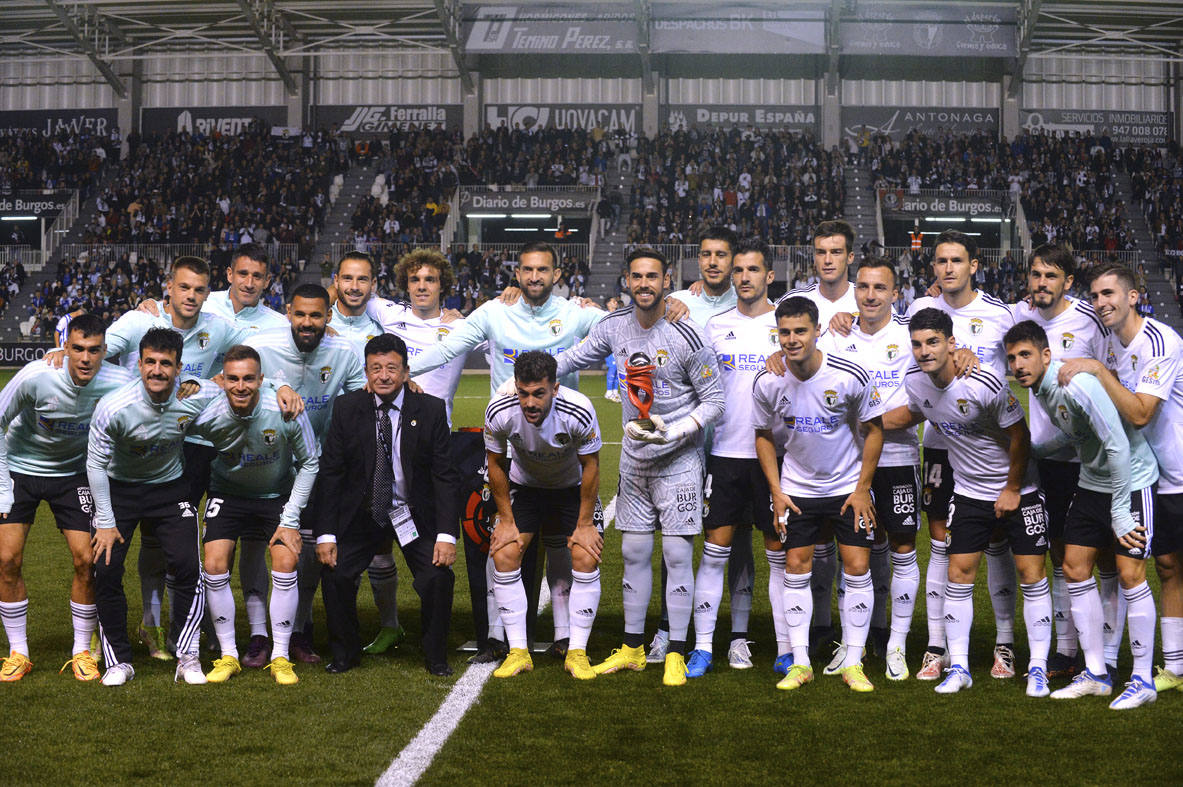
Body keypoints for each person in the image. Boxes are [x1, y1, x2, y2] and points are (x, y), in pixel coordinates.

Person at [835, 230, 1020, 680]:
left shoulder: (1000, 313)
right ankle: (935, 645)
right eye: (941, 261)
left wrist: (975, 359)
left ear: (974, 264)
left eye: (957, 260)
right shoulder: (919, 312)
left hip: (989, 449)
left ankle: (1006, 643)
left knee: (995, 542)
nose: (948, 268)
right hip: (939, 445)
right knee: (941, 543)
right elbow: (914, 394)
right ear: (932, 267)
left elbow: (1023, 358)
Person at [554, 247, 724, 687]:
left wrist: (677, 429)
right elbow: (573, 358)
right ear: (626, 282)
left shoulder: (688, 334)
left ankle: (677, 652)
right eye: (636, 277)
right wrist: (533, 376)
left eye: (652, 276)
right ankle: (632, 647)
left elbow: (716, 401)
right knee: (632, 554)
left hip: (681, 460)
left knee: (677, 554)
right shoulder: (613, 327)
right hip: (634, 462)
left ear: (667, 280)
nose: (644, 284)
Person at [136, 244, 289, 663]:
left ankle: (255, 632)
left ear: (268, 281)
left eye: (258, 276)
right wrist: (148, 306)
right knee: (164, 537)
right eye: (243, 274)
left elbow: (270, 369)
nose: (249, 282)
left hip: (229, 443)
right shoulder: (206, 304)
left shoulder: (277, 323)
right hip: (178, 439)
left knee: (250, 538)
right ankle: (157, 622)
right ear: (227, 275)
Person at [897, 308, 1051, 696]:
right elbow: (918, 411)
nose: (924, 351)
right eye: (917, 344)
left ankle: (1037, 668)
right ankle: (961, 667)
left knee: (1031, 575)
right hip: (967, 493)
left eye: (932, 342)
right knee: (958, 574)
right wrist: (866, 421)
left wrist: (1012, 488)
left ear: (952, 344)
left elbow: (1021, 436)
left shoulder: (984, 383)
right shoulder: (915, 381)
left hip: (1020, 490)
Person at [1006, 321, 1159, 708]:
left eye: (1025, 355)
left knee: (1129, 574)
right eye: (1011, 358)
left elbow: (1118, 445)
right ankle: (1096, 674)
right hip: (1093, 483)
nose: (1018, 364)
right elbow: (1076, 435)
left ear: (1045, 355)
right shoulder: (1040, 390)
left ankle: (1142, 679)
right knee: (1074, 567)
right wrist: (1035, 451)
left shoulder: (1074, 384)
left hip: (1132, 481)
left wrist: (1121, 512)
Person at [1058, 264, 1183, 701]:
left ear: (1134, 296)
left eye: (1109, 293)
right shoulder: (1110, 345)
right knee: (1167, 568)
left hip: (1180, 470)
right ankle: (1176, 665)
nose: (1101, 302)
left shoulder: (1160, 341)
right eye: (1095, 295)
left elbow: (1139, 413)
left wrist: (1094, 368)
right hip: (1152, 475)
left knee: (1158, 568)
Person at [753, 296, 885, 693]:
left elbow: (874, 429)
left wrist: (863, 489)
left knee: (857, 567)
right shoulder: (769, 381)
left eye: (800, 331)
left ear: (817, 331)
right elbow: (761, 435)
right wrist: (776, 491)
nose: (792, 340)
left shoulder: (849, 375)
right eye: (785, 332)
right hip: (797, 489)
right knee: (795, 565)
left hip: (847, 487)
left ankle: (854, 661)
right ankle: (801, 662)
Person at [314, 333, 459, 676]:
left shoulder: (431, 409)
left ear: (406, 372)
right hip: (364, 514)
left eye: (391, 368)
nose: (383, 376)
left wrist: (446, 535)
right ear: (366, 371)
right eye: (375, 368)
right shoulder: (348, 407)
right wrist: (326, 535)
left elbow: (445, 477)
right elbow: (331, 474)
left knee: (438, 577)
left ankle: (436, 656)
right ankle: (345, 653)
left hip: (412, 513)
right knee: (335, 573)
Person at [0, 315, 135, 682]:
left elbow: (159, 386)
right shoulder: (36, 375)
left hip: (73, 474)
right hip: (19, 470)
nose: (86, 358)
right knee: (7, 559)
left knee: (85, 559)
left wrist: (196, 383)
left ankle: (81, 651)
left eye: (94, 350)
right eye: (77, 349)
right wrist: (1, 483)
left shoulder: (118, 380)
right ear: (65, 347)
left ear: (105, 352)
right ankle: (19, 652)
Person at [87, 328, 225, 686]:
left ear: (179, 367)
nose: (157, 370)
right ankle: (119, 661)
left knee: (187, 566)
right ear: (139, 363)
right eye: (150, 362)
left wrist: (280, 388)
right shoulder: (115, 406)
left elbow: (239, 384)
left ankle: (188, 655)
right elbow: (95, 465)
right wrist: (104, 520)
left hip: (170, 490)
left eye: (166, 363)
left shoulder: (194, 393)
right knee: (106, 568)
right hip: (120, 492)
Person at [350, 248, 466, 655]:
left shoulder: (463, 328)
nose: (421, 287)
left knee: (433, 544)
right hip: (386, 441)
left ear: (443, 286)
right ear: (405, 285)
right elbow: (347, 287)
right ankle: (390, 625)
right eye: (415, 280)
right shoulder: (388, 313)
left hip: (433, 452)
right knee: (380, 539)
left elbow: (509, 343)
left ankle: (435, 631)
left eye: (430, 280)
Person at [247, 284, 366, 664]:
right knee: (255, 547)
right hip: (266, 462)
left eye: (316, 315)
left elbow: (356, 402)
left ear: (329, 316)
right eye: (300, 314)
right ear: (288, 313)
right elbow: (232, 378)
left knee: (310, 550)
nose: (308, 322)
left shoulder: (345, 352)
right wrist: (275, 383)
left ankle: (299, 630)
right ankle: (258, 634)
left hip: (318, 468)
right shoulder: (262, 344)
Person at [189, 345, 319, 685]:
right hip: (227, 495)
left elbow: (310, 462)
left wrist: (290, 518)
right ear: (222, 380)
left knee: (286, 562)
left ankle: (280, 656)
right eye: (232, 379)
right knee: (215, 564)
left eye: (249, 379)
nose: (241, 386)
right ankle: (228, 654)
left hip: (275, 496)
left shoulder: (286, 408)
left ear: (262, 380)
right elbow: (174, 400)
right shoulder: (208, 414)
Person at [1009, 245, 1109, 678]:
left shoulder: (1089, 320)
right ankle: (1067, 651)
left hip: (1088, 460)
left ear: (1068, 281)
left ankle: (1098, 651)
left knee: (1091, 558)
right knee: (1056, 552)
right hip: (1044, 457)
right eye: (1036, 275)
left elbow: (1112, 374)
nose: (1041, 283)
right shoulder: (1019, 318)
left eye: (1051, 276)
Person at [820, 258, 921, 681]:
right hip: (848, 464)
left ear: (895, 294)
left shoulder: (910, 337)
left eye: (880, 288)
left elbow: (919, 405)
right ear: (854, 291)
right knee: (856, 553)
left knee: (901, 548)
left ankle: (896, 643)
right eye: (863, 287)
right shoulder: (838, 335)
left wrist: (871, 421)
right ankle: (855, 641)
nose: (870, 295)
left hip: (897, 459)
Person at [652, 226, 748, 667]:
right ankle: (669, 630)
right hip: (685, 440)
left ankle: (738, 634)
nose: (713, 262)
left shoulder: (748, 300)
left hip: (732, 441)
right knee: (676, 541)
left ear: (734, 261)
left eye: (722, 255)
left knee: (737, 539)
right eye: (706, 254)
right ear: (696, 260)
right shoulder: (678, 304)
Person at [689, 237, 782, 675]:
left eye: (753, 270)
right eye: (739, 270)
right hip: (724, 453)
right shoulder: (715, 326)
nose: (744, 277)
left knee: (779, 555)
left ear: (769, 275)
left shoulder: (787, 324)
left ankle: (782, 646)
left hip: (775, 460)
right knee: (715, 551)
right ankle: (705, 646)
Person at [484, 351, 603, 680]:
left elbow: (591, 466)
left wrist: (585, 525)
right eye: (523, 392)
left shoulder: (578, 409)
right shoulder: (500, 409)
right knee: (504, 554)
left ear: (555, 388)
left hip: (570, 489)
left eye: (539, 393)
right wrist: (506, 521)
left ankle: (577, 652)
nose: (529, 402)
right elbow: (494, 464)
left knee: (585, 556)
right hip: (527, 488)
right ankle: (519, 652)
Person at [775, 220, 859, 656]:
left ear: (849, 257)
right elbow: (782, 339)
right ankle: (822, 627)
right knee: (815, 550)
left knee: (865, 551)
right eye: (821, 251)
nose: (828, 259)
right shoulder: (799, 303)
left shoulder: (865, 299)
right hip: (806, 451)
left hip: (857, 449)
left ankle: (869, 637)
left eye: (836, 251)